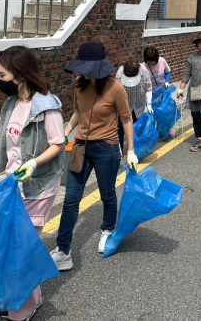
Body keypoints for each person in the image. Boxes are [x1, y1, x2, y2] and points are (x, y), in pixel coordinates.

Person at [0, 46, 65, 321]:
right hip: (11, 188)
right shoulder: (10, 105)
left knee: (21, 248)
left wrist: (33, 163)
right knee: (9, 246)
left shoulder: (47, 105)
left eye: (2, 74)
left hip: (38, 188)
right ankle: (27, 297)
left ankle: (23, 305)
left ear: (20, 74)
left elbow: (59, 143)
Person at [50, 42, 137, 271]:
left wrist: (130, 150)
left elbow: (126, 119)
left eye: (86, 68)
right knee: (70, 199)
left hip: (106, 148)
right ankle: (63, 251)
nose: (81, 72)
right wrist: (66, 132)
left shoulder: (115, 87)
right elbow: (79, 111)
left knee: (107, 194)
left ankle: (107, 229)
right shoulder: (79, 85)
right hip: (81, 147)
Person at [115, 60, 153, 153]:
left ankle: (135, 149)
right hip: (123, 105)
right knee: (120, 129)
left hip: (138, 105)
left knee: (137, 128)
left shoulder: (144, 71)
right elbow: (115, 91)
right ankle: (120, 150)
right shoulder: (120, 73)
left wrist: (149, 105)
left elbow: (148, 88)